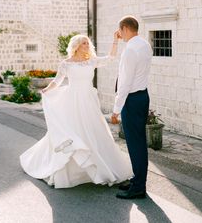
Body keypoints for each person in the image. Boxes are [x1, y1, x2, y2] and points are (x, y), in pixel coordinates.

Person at [20, 33, 132, 188]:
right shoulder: (66, 63)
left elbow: (110, 58)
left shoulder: (91, 61)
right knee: (74, 130)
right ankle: (70, 171)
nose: (87, 45)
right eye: (84, 43)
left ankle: (100, 168)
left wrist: (115, 41)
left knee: (93, 131)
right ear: (77, 46)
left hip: (89, 101)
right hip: (72, 101)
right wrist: (46, 89)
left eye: (88, 43)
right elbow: (57, 81)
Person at [111, 16, 153, 199]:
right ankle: (138, 180)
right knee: (139, 142)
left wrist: (116, 109)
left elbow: (125, 83)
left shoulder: (130, 50)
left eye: (119, 30)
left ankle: (138, 187)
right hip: (143, 96)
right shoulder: (144, 44)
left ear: (124, 28)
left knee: (135, 144)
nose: (119, 34)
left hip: (131, 99)